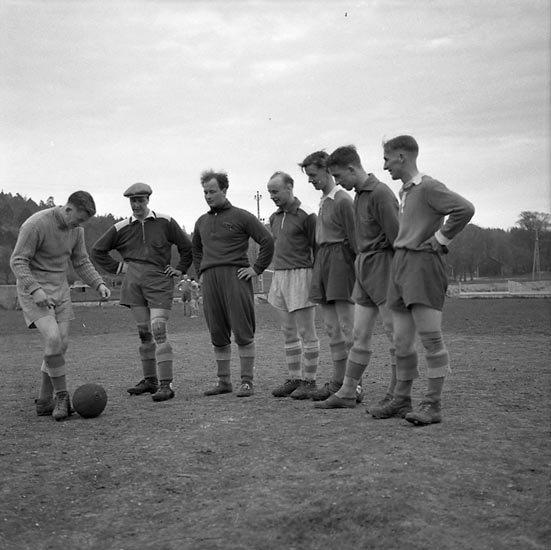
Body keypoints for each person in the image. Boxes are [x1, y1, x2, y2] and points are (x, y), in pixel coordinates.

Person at [380, 135, 475, 425]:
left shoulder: (429, 187)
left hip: (423, 265)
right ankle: (401, 399)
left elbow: (465, 208)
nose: (384, 166)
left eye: (387, 159)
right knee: (400, 341)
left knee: (431, 338)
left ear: (402, 157)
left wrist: (441, 238)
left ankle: (433, 404)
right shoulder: (405, 191)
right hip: (400, 264)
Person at [10, 191, 111, 421]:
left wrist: (99, 283)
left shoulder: (77, 231)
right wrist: (35, 289)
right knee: (53, 339)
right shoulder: (35, 225)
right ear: (68, 209)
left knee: (61, 345)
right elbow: (18, 261)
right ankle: (62, 396)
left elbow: (81, 261)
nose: (79, 225)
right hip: (34, 288)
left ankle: (44, 400)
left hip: (60, 288)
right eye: (79, 219)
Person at [314, 146, 400, 410]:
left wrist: (400, 277)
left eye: (339, 176)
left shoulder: (381, 193)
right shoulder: (359, 196)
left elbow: (397, 238)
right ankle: (348, 391)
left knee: (394, 334)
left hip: (383, 267)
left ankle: (397, 395)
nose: (338, 182)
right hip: (364, 268)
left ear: (352, 168)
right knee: (358, 334)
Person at [91, 183, 192, 402]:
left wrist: (180, 269)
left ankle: (166, 384)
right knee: (144, 333)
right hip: (133, 283)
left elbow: (187, 247)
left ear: (148, 200)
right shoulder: (121, 227)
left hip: (159, 282)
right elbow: (97, 251)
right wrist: (119, 268)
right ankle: (150, 381)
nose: (136, 205)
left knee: (158, 330)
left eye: (140, 200)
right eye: (133, 201)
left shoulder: (165, 222)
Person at [192, 170, 274, 398]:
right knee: (217, 331)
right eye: (205, 192)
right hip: (211, 280)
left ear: (225, 190)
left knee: (242, 330)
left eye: (212, 191)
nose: (208, 196)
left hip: (235, 277)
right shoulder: (201, 221)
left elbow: (267, 240)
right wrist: (200, 272)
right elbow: (196, 249)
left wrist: (256, 269)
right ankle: (223, 381)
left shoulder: (242, 216)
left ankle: (247, 381)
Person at [299, 151, 358, 402]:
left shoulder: (343, 200)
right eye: (308, 176)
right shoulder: (324, 201)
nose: (310, 180)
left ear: (327, 170)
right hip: (323, 260)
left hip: (340, 261)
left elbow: (355, 240)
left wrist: (356, 270)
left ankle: (354, 384)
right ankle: (337, 381)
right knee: (332, 328)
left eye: (313, 175)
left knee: (347, 326)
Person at [267, 171, 321, 400]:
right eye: (269, 192)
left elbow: (318, 249)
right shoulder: (274, 217)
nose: (272, 196)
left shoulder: (306, 215)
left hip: (301, 274)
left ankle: (310, 381)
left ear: (289, 188)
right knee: (288, 331)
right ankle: (295, 378)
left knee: (307, 332)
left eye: (275, 191)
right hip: (280, 275)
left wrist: (317, 279)